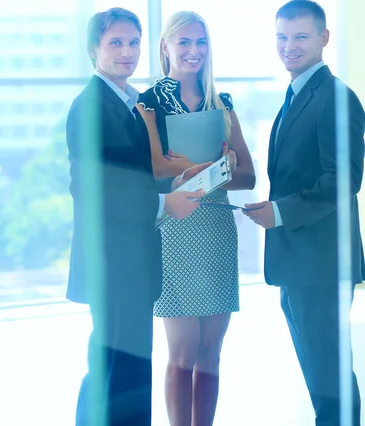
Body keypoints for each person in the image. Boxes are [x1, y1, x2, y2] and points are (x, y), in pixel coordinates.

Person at [66, 7, 210, 426]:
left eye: (133, 42)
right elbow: (94, 191)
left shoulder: (126, 104)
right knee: (115, 373)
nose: (127, 52)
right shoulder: (92, 107)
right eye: (115, 43)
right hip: (112, 266)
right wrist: (165, 204)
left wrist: (178, 180)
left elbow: (132, 176)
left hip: (130, 265)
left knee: (124, 372)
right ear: (94, 50)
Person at [244, 1, 364, 425]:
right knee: (320, 372)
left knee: (329, 373)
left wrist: (279, 213)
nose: (289, 46)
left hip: (322, 261)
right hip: (300, 260)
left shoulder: (335, 98)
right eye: (282, 36)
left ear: (323, 38)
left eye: (300, 36)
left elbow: (343, 179)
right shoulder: (297, 94)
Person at [136, 10, 256, 426]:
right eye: (183, 42)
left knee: (211, 352)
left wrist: (198, 167)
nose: (193, 51)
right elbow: (150, 173)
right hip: (174, 230)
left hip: (217, 230)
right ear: (165, 46)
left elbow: (246, 176)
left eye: (200, 42)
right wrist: (209, 167)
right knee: (183, 351)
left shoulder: (221, 104)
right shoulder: (147, 104)